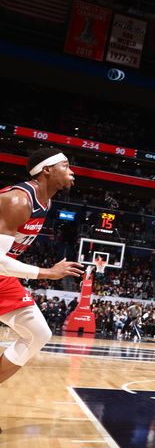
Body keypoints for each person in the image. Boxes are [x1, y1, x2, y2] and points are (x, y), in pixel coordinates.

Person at [0, 149, 83, 433]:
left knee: (39, 333)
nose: (72, 171)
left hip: (2, 277)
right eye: (66, 166)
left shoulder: (44, 202)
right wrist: (47, 273)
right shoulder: (17, 200)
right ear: (46, 170)